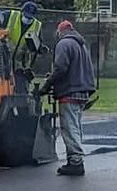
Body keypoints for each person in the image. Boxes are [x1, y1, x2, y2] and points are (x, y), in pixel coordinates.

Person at [40, 18, 96, 177]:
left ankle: (76, 162)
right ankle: (75, 159)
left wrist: (47, 85)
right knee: (76, 127)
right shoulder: (81, 44)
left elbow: (60, 68)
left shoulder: (64, 44)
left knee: (69, 127)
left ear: (60, 32)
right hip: (82, 91)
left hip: (69, 91)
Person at [5, 0, 43, 84]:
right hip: (4, 60)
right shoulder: (11, 16)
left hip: (20, 65)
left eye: (30, 17)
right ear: (22, 12)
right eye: (26, 16)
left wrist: (40, 48)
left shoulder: (37, 25)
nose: (28, 19)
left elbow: (38, 45)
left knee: (20, 87)